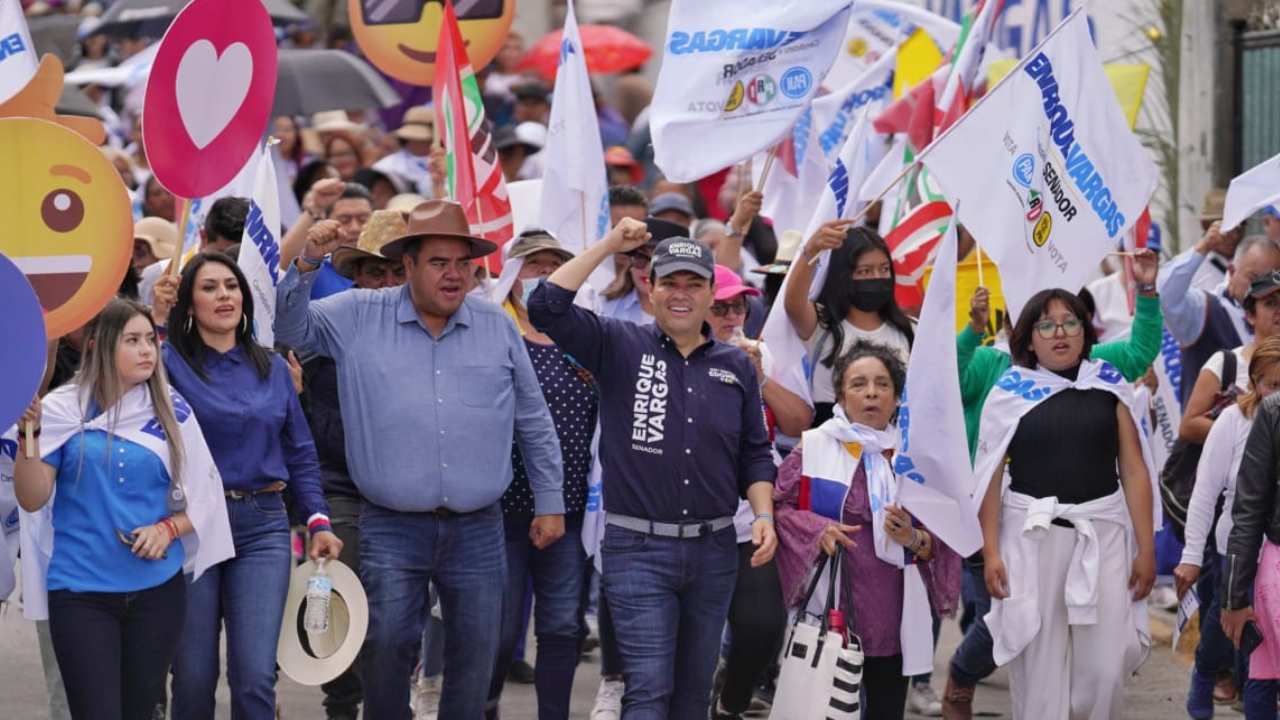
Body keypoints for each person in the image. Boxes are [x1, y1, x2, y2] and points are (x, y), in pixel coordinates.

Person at [275, 199, 565, 718]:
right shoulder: (357, 314)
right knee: (386, 645)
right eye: (438, 262)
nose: (453, 275)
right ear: (406, 265)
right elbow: (291, 331)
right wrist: (305, 266)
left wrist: (550, 501)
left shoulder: (496, 326)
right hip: (390, 522)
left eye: (463, 263)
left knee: (479, 652)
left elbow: (533, 419)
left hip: (479, 526)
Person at [528, 220, 778, 718]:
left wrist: (764, 514)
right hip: (637, 548)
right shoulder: (618, 343)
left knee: (690, 697)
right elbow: (544, 306)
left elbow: (755, 451)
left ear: (712, 294)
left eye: (694, 284)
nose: (681, 294)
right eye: (670, 282)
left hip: (713, 550)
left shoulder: (737, 366)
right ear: (651, 287)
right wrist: (608, 246)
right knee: (648, 689)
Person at [942, 250, 1163, 720]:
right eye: (1046, 325)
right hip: (1030, 539)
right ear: (1029, 338)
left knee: (1105, 670)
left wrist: (1147, 548)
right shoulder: (1009, 392)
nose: (1059, 332)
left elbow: (1136, 471)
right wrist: (991, 552)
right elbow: (990, 478)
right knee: (1040, 670)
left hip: (1103, 536)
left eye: (1070, 322)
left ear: (1086, 333)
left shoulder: (1108, 385)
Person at [14, 298, 233, 720]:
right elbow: (32, 496)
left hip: (157, 594)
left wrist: (168, 530)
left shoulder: (171, 408)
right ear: (99, 346)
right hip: (80, 593)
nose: (147, 350)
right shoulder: (62, 409)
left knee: (140, 711)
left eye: (150, 339)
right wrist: (31, 435)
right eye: (133, 340)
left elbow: (206, 497)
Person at [159, 253, 342, 719]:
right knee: (194, 676)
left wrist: (318, 520)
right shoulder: (166, 367)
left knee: (256, 676)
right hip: (192, 525)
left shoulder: (276, 368)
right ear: (188, 303)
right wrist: (154, 322)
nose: (224, 296)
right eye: (209, 288)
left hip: (263, 526)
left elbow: (300, 452)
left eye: (231, 286)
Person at [773, 342, 961, 719]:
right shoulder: (815, 447)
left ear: (896, 398)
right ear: (841, 395)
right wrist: (818, 530)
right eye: (859, 384)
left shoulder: (915, 458)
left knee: (885, 708)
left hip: (894, 614)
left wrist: (914, 538)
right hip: (830, 608)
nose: (871, 392)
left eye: (882, 384)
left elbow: (945, 535)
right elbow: (778, 508)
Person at [484, 230, 597, 720]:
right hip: (498, 510)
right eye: (533, 266)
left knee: (561, 628)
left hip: (570, 512)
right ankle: (483, 707)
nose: (544, 275)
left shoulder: (588, 339)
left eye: (554, 265)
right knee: (499, 629)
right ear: (510, 277)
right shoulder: (490, 333)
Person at [309, 210, 409, 720]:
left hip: (406, 497)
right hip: (339, 492)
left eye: (397, 271)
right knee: (334, 600)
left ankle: (389, 703)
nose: (387, 283)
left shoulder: (434, 340)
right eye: (375, 272)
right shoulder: (327, 332)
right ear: (357, 278)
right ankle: (342, 703)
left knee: (395, 616)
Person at [705, 265, 807, 719]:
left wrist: (760, 380)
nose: (732, 317)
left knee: (763, 626)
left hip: (751, 521)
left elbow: (798, 422)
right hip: (692, 524)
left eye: (739, 306)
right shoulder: (679, 357)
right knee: (691, 637)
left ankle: (730, 702)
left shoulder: (760, 353)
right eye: (720, 308)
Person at [1175, 336, 1280, 719]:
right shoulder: (1233, 422)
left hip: (1277, 555)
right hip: (1234, 552)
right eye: (1271, 385)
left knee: (1261, 656)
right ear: (1254, 385)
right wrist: (1190, 557)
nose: (1276, 395)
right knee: (1226, 633)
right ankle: (1204, 677)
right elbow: (1205, 493)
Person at [785, 221, 915, 425]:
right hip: (834, 443)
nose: (877, 277)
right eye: (865, 271)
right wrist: (811, 251)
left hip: (893, 444)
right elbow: (793, 303)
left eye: (884, 269)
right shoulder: (822, 325)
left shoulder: (909, 330)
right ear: (843, 275)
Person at [1159, 229, 1280, 404]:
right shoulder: (1204, 309)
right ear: (1231, 271)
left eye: (1272, 279)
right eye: (1253, 278)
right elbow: (1165, 295)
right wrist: (1203, 246)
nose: (1262, 288)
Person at [1180, 270, 1280, 443]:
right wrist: (1250, 435)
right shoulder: (1227, 363)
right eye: (1270, 303)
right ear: (1250, 315)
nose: (1279, 310)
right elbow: (1189, 426)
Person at [139, 197, 249, 306]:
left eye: (237, 256)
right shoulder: (157, 275)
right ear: (204, 237)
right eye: (224, 255)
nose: (231, 265)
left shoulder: (255, 279)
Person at [281, 182, 375, 300]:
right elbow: (280, 266)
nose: (355, 228)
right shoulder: (313, 267)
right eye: (344, 220)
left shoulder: (390, 263)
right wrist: (314, 209)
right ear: (326, 222)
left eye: (363, 219)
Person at [373, 106, 439, 197]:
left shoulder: (450, 163)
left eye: (422, 139)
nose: (416, 142)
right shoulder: (387, 166)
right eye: (412, 138)